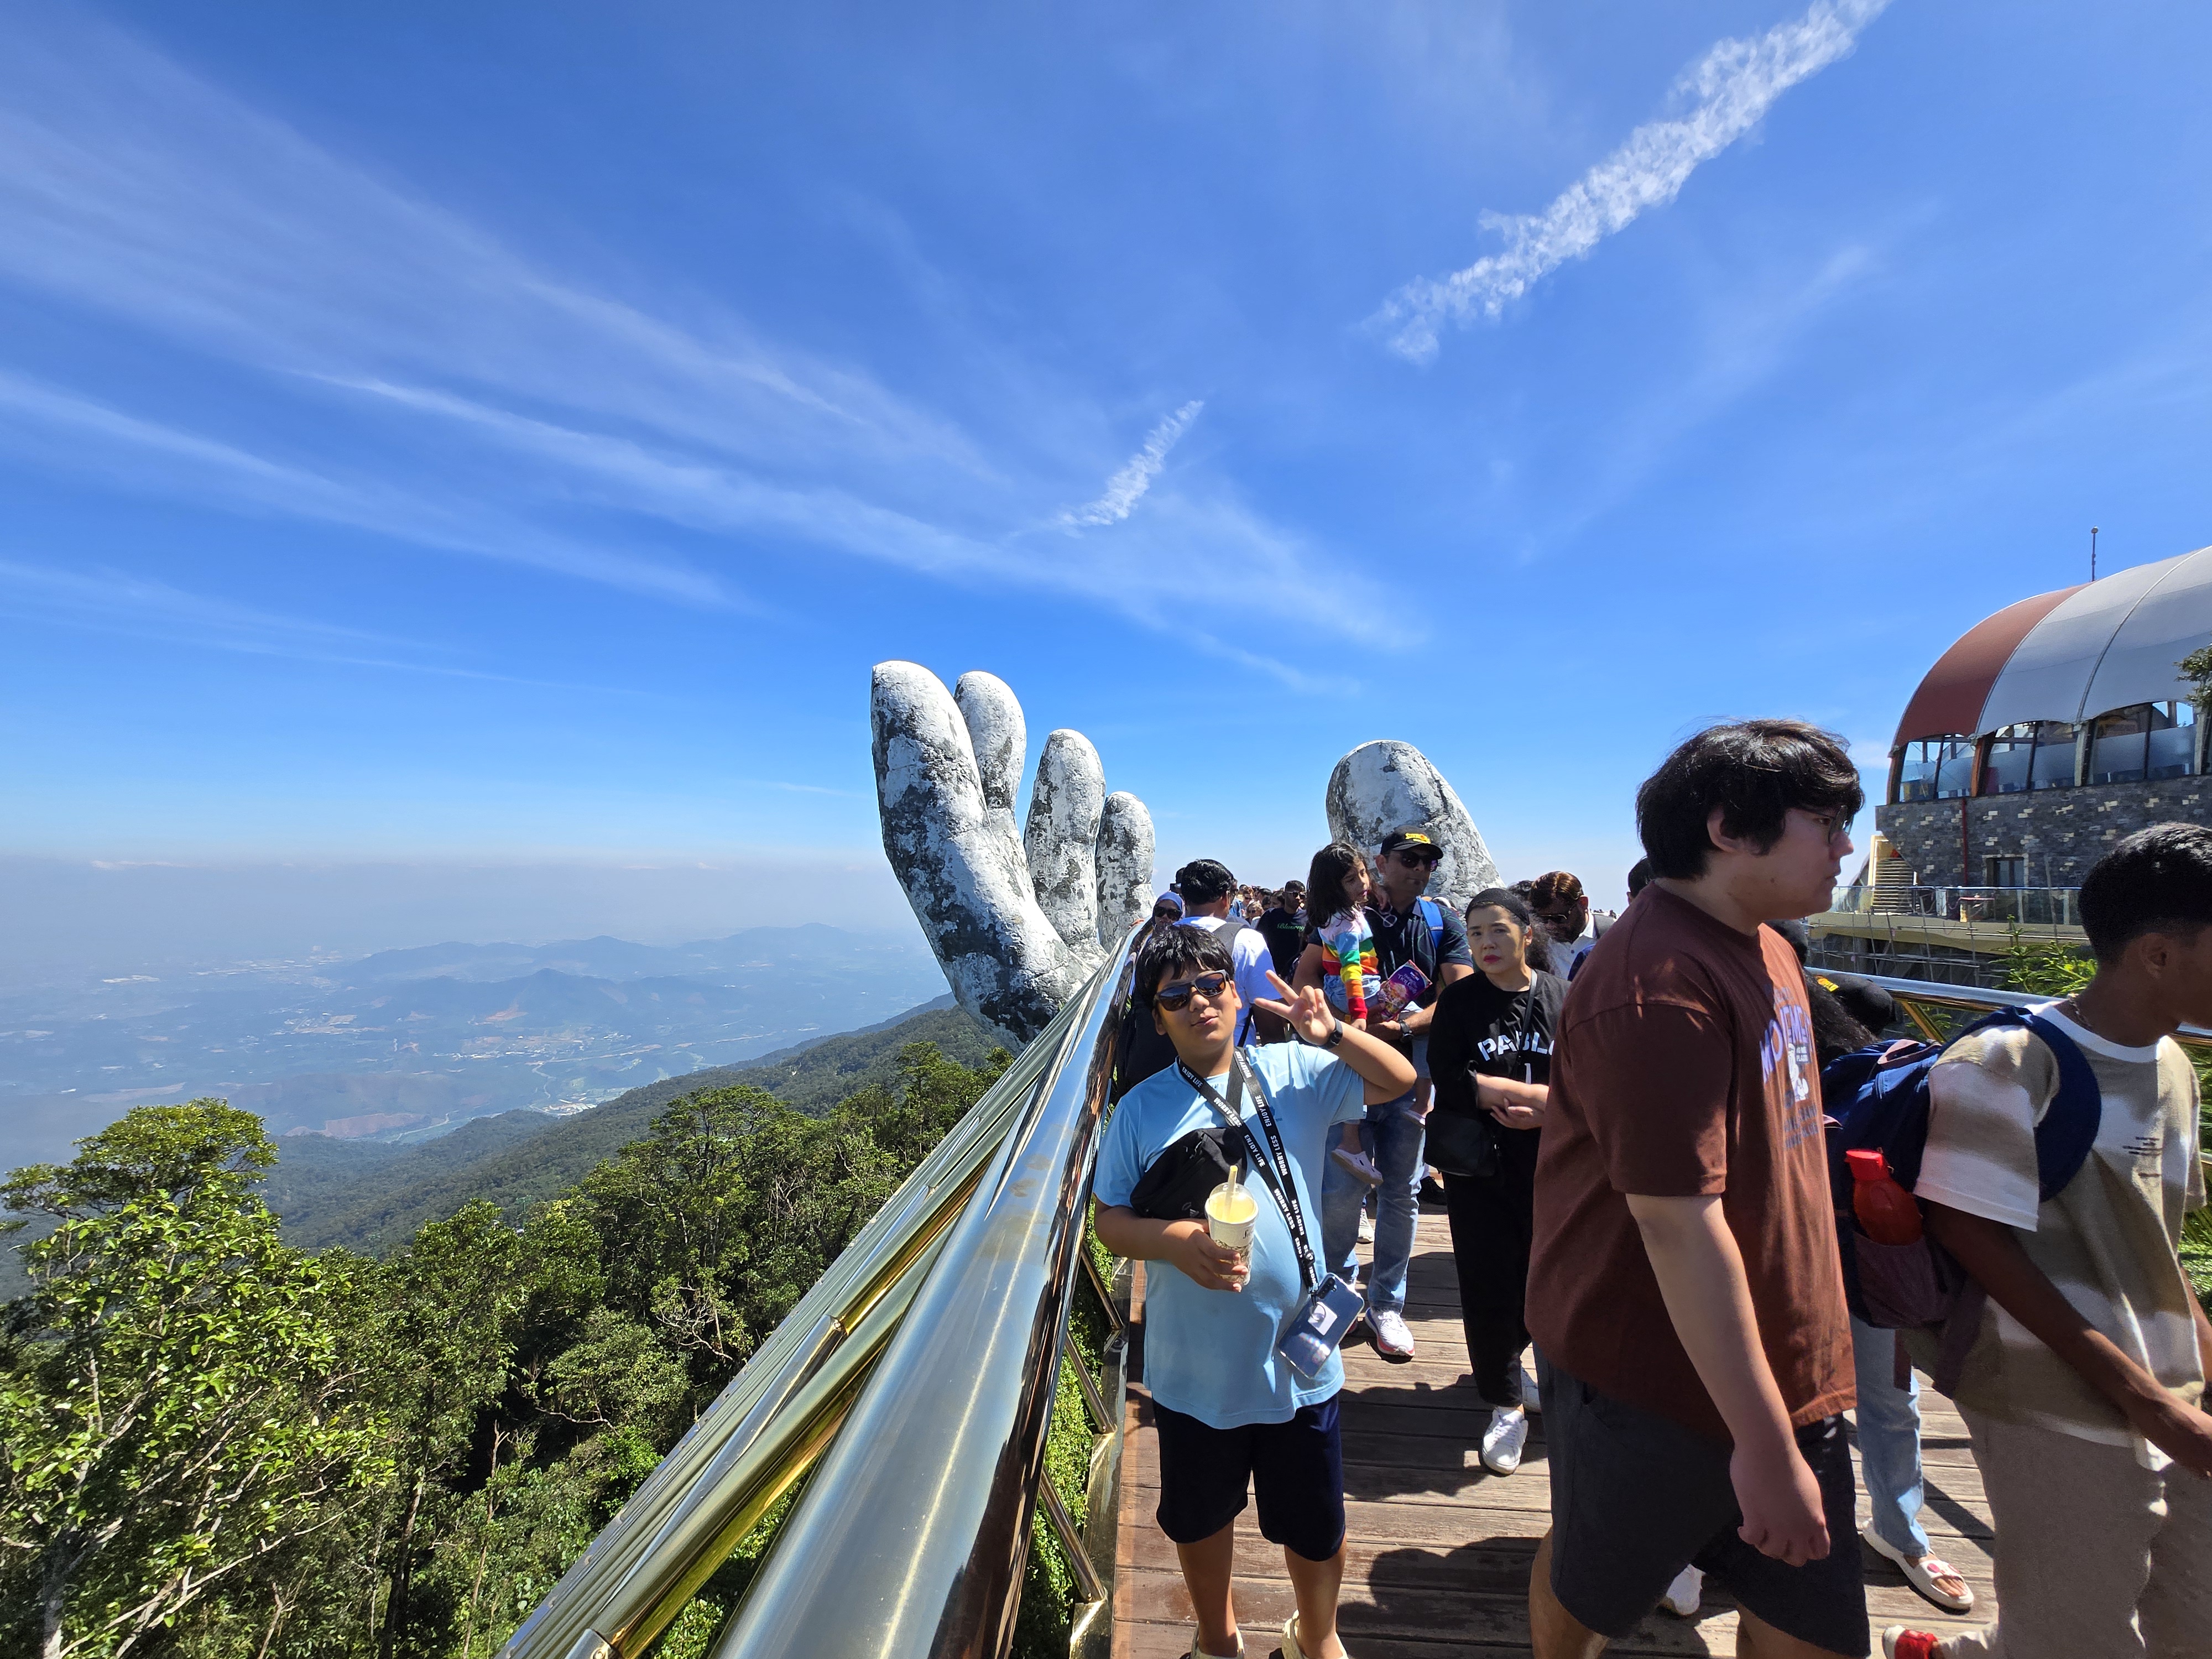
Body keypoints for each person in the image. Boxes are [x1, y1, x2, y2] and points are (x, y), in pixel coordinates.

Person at [1526, 718, 1868, 1659]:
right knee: (1589, 1591)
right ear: (1727, 828)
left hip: (1787, 1360)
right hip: (1654, 1374)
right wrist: (1761, 1446)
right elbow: (1679, 1228)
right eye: (1827, 822)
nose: (1846, 846)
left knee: (1814, 1631)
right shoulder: (1657, 985)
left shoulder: (1770, 949)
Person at [1882, 823, 2212, 1659]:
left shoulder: (2174, 1066)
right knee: (2072, 1634)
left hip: (2178, 1398)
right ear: (2158, 955)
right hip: (2052, 1403)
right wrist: (2142, 1398)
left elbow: (2158, 1248)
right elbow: (1974, 1240)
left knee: (2195, 1619)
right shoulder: (2008, 1063)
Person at [1093, 928, 1416, 1659]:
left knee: (1316, 1524)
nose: (1199, 1003)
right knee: (1201, 1520)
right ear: (1157, 1017)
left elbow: (1397, 1081)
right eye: (1177, 996)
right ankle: (1219, 1637)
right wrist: (1173, 1243)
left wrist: (1332, 1031)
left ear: (1237, 997)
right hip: (1193, 1372)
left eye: (1212, 987)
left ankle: (1319, 1634)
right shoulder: (1141, 1111)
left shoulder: (1294, 1070)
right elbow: (1111, 1220)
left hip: (1299, 1365)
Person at [1304, 828, 1475, 1362]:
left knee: (1402, 1190)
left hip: (1412, 1067)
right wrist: (1344, 1027)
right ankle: (1337, 1293)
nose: (1420, 867)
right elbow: (1307, 976)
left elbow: (1462, 992)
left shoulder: (1441, 920)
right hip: (1349, 1065)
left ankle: (1387, 1304)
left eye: (1428, 860)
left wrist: (1403, 1028)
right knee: (1339, 1190)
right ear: (1380, 863)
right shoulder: (1351, 911)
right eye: (1409, 858)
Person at [1427, 886, 1563, 1477]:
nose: (1484, 942)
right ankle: (1504, 1403)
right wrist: (1528, 1097)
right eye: (1475, 932)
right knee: (1488, 1286)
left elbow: (1589, 1081)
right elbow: (1448, 1078)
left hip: (1554, 1165)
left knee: (1547, 1279)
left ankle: (1514, 1366)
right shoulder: (1459, 1001)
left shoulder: (1563, 996)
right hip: (1479, 1168)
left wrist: (1544, 1107)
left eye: (1497, 931)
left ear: (1526, 934)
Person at [1174, 859, 1281, 1044]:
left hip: (1170, 1063)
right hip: (1233, 1061)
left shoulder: (1157, 940)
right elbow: (1269, 1017)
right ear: (1226, 898)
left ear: (1184, 898)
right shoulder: (1247, 941)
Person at [1528, 870, 1597, 982]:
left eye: (1559, 918)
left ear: (1583, 903)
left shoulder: (1613, 938)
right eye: (1543, 919)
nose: (1550, 926)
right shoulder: (1536, 947)